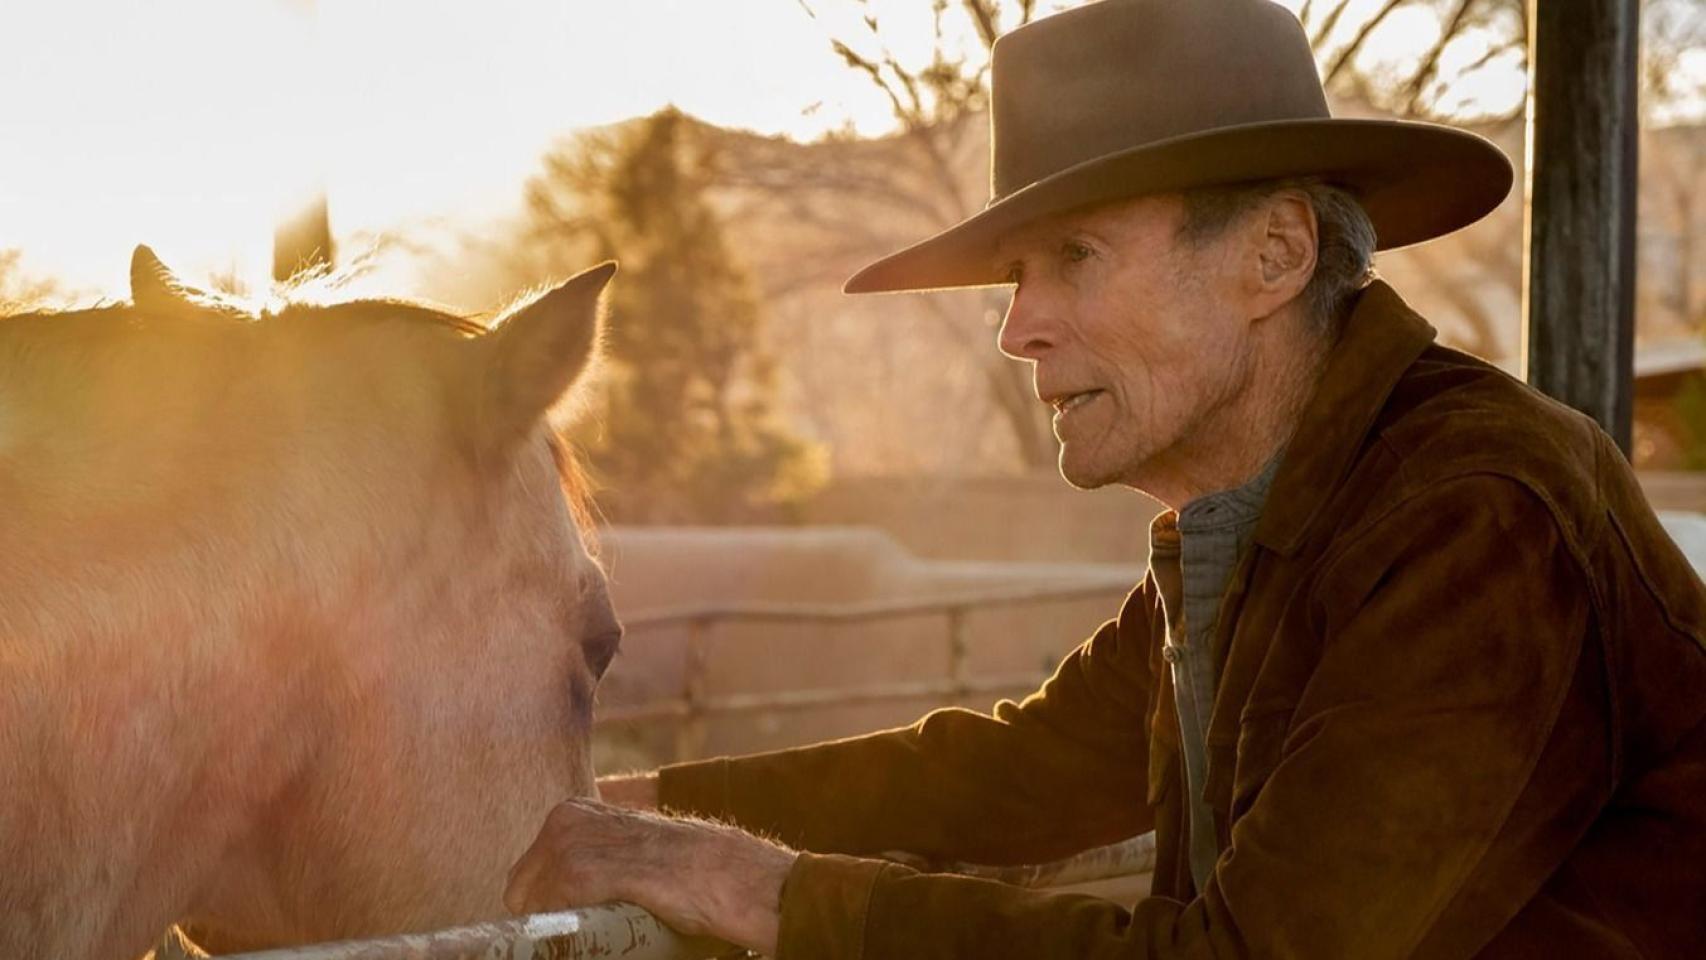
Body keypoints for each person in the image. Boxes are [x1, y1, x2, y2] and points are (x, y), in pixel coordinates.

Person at [503, 0, 1706, 956]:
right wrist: (635, 808)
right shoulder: (1260, 518)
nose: (1015, 327)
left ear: (1274, 254)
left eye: (1072, 257)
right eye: (1015, 274)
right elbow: (1018, 771)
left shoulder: (1476, 515)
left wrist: (759, 890)